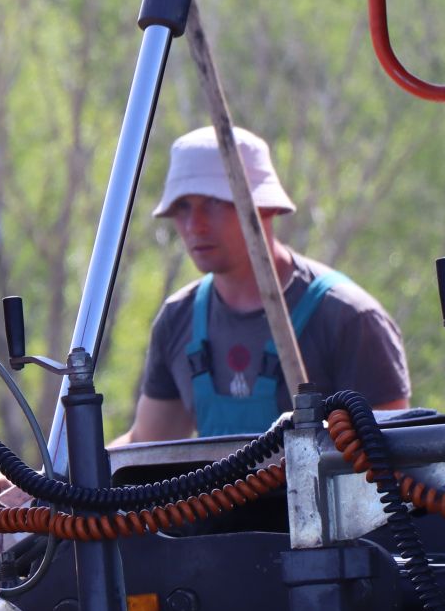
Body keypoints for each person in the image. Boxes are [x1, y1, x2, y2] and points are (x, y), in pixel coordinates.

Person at [120, 125, 411, 442]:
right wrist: (65, 481)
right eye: (182, 207)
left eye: (214, 203)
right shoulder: (178, 320)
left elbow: (391, 463)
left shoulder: (349, 319)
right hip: (212, 496)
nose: (194, 225)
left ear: (267, 206)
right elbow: (148, 448)